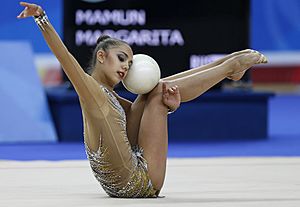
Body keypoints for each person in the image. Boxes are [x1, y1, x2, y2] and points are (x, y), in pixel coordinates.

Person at [17, 2, 267, 198]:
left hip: (122, 181)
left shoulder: (109, 98)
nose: (126, 66)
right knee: (157, 94)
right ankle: (230, 66)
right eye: (122, 58)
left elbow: (147, 116)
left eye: (129, 61)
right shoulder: (90, 91)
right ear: (101, 56)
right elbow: (65, 56)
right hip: (140, 184)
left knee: (154, 91)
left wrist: (169, 110)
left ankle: (227, 63)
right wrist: (42, 18)